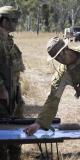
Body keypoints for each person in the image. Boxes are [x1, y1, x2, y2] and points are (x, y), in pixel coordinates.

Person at [24, 37, 80, 160]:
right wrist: (38, 123)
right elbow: (53, 99)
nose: (59, 60)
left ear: (66, 49)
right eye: (55, 58)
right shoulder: (62, 74)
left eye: (59, 55)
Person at [0, 6, 25, 160]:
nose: (16, 23)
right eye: (13, 20)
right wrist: (1, 88)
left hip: (13, 92)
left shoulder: (8, 39)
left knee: (16, 130)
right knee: (3, 132)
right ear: (3, 20)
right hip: (2, 96)